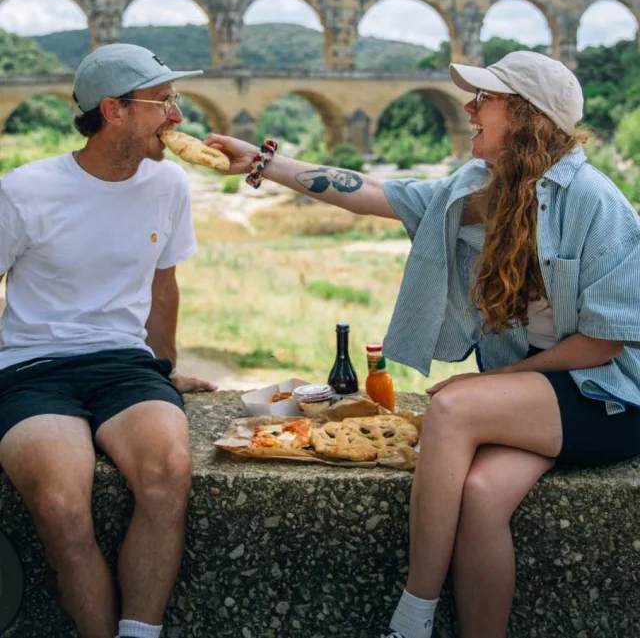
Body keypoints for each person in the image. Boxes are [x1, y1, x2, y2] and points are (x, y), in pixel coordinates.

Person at [204, 50, 640, 638]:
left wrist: (485, 385)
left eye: (486, 98)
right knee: (483, 496)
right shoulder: (474, 191)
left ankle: (411, 618)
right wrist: (262, 161)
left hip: (605, 399)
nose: (469, 107)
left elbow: (601, 346)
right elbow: (373, 192)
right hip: (535, 400)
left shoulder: (594, 201)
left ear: (528, 116)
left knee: (453, 407)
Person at [0, 43, 216, 638]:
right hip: (33, 368)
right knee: (63, 510)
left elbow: (164, 285)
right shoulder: (23, 191)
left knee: (170, 473)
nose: (177, 117)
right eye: (164, 103)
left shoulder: (168, 186)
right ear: (113, 111)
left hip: (125, 365)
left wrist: (164, 367)